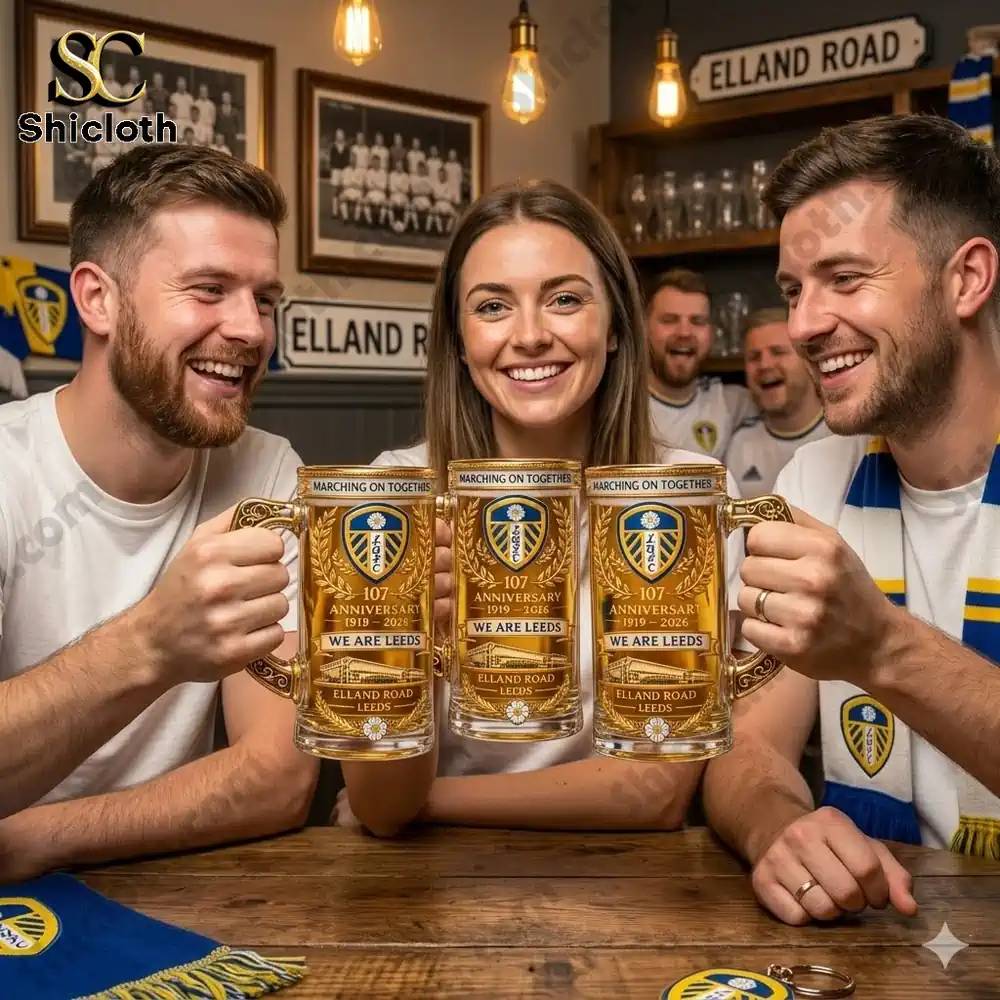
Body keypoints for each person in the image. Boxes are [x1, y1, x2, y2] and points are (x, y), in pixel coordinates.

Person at [334, 178, 748, 837]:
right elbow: (382, 808)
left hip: (631, 884)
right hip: (431, 887)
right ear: (459, 341)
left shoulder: (684, 493)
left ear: (616, 328)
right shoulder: (393, 497)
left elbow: (655, 789)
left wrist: (435, 802)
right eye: (493, 306)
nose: (529, 336)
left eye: (564, 300)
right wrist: (419, 648)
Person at [702, 113, 1000, 928]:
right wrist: (779, 827)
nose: (802, 325)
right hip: (892, 938)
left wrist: (881, 647)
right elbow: (748, 744)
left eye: (844, 278)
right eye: (794, 290)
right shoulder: (815, 478)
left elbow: (874, 648)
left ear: (967, 279)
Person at [0, 143, 319, 878]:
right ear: (97, 300)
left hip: (159, 893)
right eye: (209, 289)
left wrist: (29, 842)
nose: (251, 331)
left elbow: (277, 775)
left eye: (264, 300)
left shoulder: (267, 470)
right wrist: (151, 643)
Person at [647, 268, 756, 459]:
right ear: (643, 329)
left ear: (711, 334)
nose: (684, 333)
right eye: (669, 320)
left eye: (697, 321)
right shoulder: (619, 405)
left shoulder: (731, 403)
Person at [726, 307, 829, 497]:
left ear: (808, 360)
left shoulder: (845, 435)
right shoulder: (739, 444)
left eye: (778, 352)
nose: (765, 365)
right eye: (754, 357)